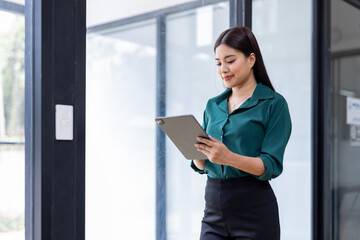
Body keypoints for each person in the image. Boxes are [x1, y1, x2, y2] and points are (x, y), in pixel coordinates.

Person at [191, 26, 292, 240]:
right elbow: (202, 165)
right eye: (218, 63)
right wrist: (197, 153)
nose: (223, 69)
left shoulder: (274, 104)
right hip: (213, 210)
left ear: (251, 59)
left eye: (230, 60)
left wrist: (227, 157)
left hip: (253, 210)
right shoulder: (213, 105)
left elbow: (270, 165)